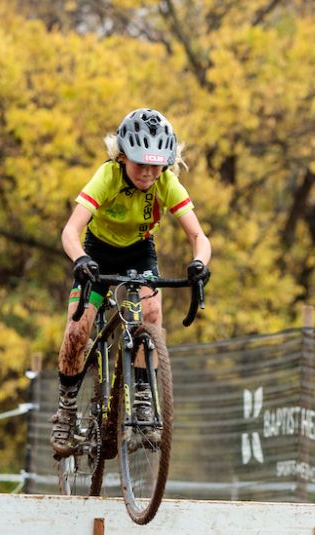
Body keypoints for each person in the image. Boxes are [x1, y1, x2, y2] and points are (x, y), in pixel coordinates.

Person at [51, 108, 212, 455]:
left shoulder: (166, 183)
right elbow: (70, 230)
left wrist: (199, 263)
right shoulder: (107, 176)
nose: (149, 173)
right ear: (122, 157)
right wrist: (80, 258)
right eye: (141, 164)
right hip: (96, 252)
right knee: (79, 327)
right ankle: (65, 411)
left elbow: (199, 236)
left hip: (139, 253)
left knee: (151, 313)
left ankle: (142, 402)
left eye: (156, 166)